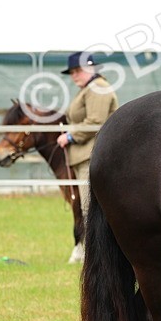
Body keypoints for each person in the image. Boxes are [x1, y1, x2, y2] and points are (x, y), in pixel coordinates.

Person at [57, 52, 119, 263]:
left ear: (91, 68)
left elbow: (95, 122)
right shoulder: (86, 90)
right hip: (83, 156)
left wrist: (71, 135)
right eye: (72, 72)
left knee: (90, 209)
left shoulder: (97, 88)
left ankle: (98, 255)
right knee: (86, 208)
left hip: (92, 155)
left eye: (78, 70)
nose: (74, 75)